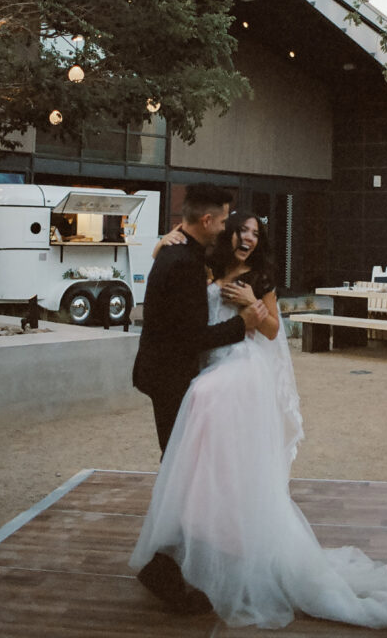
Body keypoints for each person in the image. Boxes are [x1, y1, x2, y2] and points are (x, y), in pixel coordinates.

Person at [130, 211, 387, 630]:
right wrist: (161, 242)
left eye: (257, 234)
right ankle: (199, 536)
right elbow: (179, 271)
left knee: (206, 397)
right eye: (243, 230)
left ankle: (211, 544)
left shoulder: (261, 276)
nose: (249, 239)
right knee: (204, 443)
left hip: (241, 362)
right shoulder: (209, 264)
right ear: (230, 231)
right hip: (209, 357)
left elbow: (274, 332)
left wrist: (253, 307)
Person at [132, 186, 268, 614]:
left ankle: (178, 563)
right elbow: (191, 336)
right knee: (184, 477)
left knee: (184, 473)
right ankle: (164, 568)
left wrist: (164, 237)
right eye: (226, 219)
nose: (231, 228)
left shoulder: (181, 254)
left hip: (167, 376)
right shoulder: (186, 262)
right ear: (207, 221)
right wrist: (243, 323)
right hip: (173, 379)